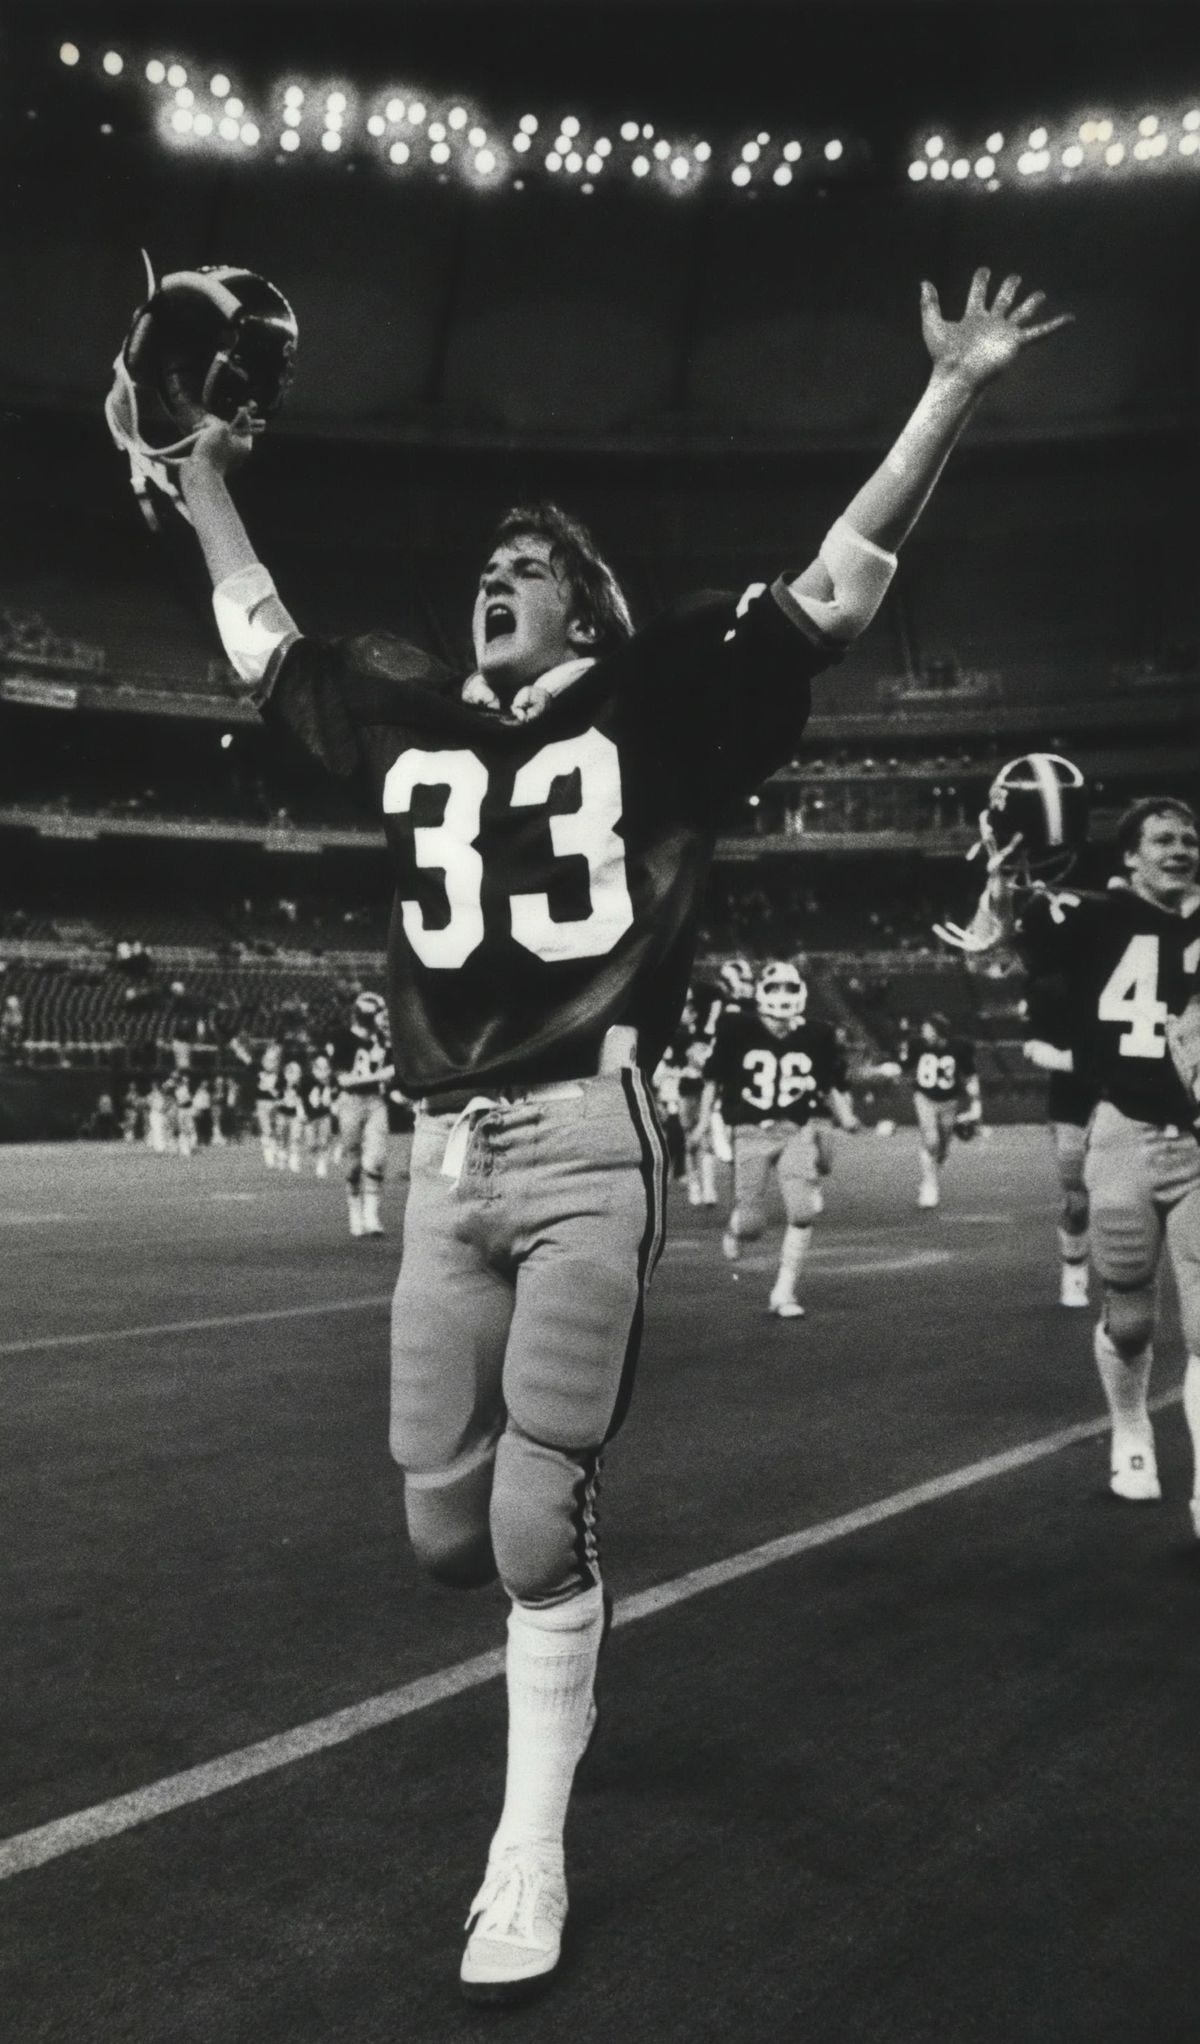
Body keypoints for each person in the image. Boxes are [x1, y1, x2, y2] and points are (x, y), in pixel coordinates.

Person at [175, 265, 1070, 2002]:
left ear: (584, 603)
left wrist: (950, 393)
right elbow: (261, 632)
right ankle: (546, 1648)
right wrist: (202, 473)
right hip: (448, 1160)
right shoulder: (412, 708)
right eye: (483, 568)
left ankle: (530, 1838)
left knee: (527, 1527)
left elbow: (836, 581)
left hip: (590, 1135)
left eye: (527, 568)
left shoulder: (660, 694)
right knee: (442, 1532)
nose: (490, 582)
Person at [957, 794, 1200, 1523]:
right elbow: (988, 950)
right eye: (1163, 838)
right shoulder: (1085, 912)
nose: (1181, 847)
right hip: (1122, 1132)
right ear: (1130, 854)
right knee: (1130, 1321)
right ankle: (1131, 1434)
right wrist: (998, 892)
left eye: (1191, 837)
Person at [700, 962, 859, 1316]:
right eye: (776, 989)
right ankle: (735, 1229)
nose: (783, 997)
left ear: (800, 994)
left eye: (790, 989)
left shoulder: (818, 1034)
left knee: (802, 1211)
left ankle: (784, 1292)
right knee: (752, 1227)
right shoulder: (736, 1026)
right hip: (749, 1132)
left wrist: (845, 1115)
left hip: (793, 1131)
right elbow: (713, 1078)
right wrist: (701, 1124)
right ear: (762, 993)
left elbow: (828, 1083)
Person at [895, 1013, 982, 1209]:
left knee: (942, 1151)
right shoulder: (917, 1045)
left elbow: (969, 1075)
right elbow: (904, 1065)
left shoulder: (959, 1047)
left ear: (939, 1031)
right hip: (924, 1098)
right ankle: (929, 1185)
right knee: (931, 1142)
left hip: (949, 1102)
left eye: (928, 1029)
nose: (924, 1033)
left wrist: (976, 1104)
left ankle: (931, 1176)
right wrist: (896, 1062)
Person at [330, 991, 393, 1235]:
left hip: (375, 1101)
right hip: (351, 1102)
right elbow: (344, 1080)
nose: (382, 1019)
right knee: (353, 1164)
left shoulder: (384, 1039)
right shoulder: (343, 1038)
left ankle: (371, 1214)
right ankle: (355, 1210)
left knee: (376, 1159)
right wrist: (380, 1075)